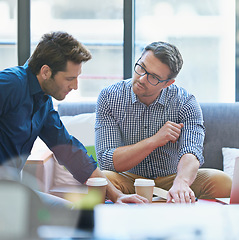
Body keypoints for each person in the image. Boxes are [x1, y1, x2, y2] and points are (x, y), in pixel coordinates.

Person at [0, 31, 148, 206]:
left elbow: (68, 150)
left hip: (10, 191)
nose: (75, 86)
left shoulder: (43, 101)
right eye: (70, 78)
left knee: (80, 217)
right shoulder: (10, 84)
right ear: (46, 71)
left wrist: (116, 196)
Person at [95, 41, 232, 203]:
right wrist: (154, 141)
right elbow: (106, 160)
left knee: (221, 181)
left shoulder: (185, 102)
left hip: (172, 179)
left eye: (153, 77)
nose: (141, 78)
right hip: (127, 180)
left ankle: (179, 194)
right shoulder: (110, 97)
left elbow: (191, 152)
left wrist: (181, 182)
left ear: (168, 83)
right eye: (141, 67)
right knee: (98, 181)